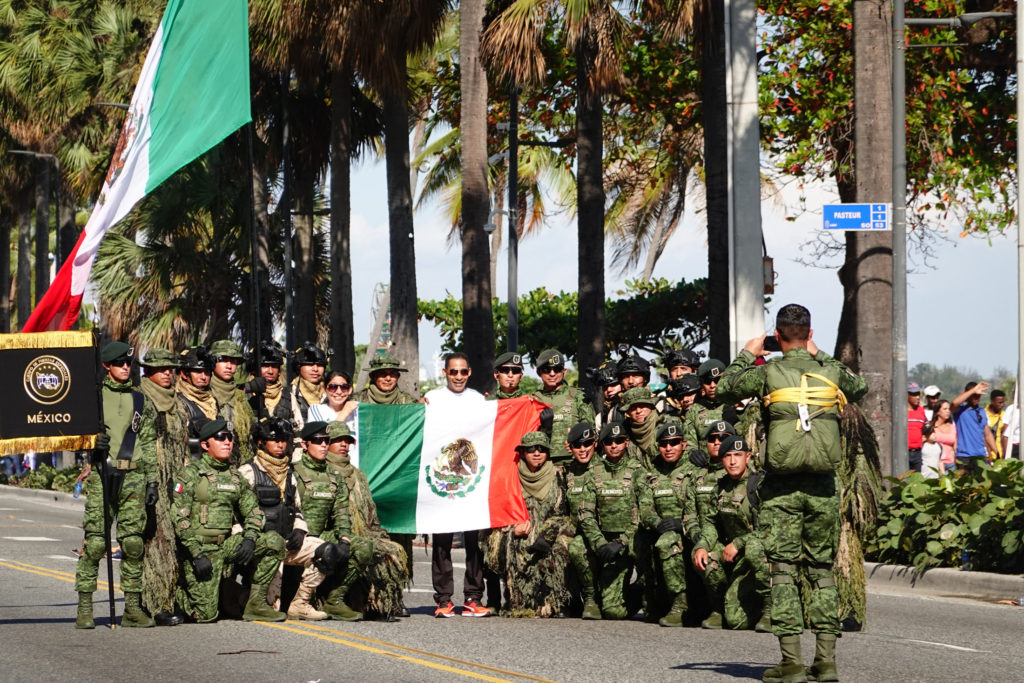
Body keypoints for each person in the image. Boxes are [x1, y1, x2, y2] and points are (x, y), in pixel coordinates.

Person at [716, 303, 867, 683]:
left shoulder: (767, 372)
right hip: (823, 487)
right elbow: (859, 386)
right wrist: (820, 354)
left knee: (783, 570)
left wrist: (749, 352)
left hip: (782, 488)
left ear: (778, 337)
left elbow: (725, 386)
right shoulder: (830, 370)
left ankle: (791, 663)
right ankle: (826, 661)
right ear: (810, 335)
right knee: (821, 571)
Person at [75, 341, 156, 629]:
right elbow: (76, 436)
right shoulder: (93, 398)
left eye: (128, 363)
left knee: (133, 544)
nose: (125, 367)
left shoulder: (140, 400)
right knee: (96, 543)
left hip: (134, 475)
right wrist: (92, 443)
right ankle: (85, 606)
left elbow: (147, 443)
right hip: (102, 473)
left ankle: (131, 608)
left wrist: (153, 482)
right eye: (120, 363)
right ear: (106, 366)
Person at [173, 419, 286, 623]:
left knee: (274, 542)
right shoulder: (191, 474)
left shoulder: (235, 477)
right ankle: (180, 592)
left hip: (225, 545)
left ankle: (256, 604)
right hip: (200, 549)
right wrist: (196, 554)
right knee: (206, 616)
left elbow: (253, 511)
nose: (227, 442)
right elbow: (179, 517)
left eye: (229, 437)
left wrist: (250, 538)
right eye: (220, 437)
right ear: (206, 445)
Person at [238, 418, 330, 620]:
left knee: (329, 551)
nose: (280, 444)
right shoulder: (247, 471)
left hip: (287, 541)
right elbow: (235, 513)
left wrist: (299, 530)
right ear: (261, 442)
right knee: (272, 609)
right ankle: (246, 596)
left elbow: (296, 508)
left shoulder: (289, 472)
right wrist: (244, 540)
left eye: (284, 440)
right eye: (274, 440)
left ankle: (300, 603)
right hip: (262, 545)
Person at [424, 353, 493, 617]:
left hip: (472, 482)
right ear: (445, 372)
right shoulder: (433, 398)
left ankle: (474, 598)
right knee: (441, 541)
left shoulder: (478, 400)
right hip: (441, 479)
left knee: (474, 542)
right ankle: (443, 600)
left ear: (470, 372)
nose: (459, 377)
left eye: (463, 372)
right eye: (454, 372)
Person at [321, 421, 409, 619]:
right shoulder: (322, 471)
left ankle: (381, 604)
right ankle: (338, 598)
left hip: (363, 531)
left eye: (347, 440)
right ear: (327, 443)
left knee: (391, 549)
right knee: (361, 547)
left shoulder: (358, 475)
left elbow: (370, 511)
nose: (344, 444)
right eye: (338, 440)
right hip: (336, 532)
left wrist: (377, 533)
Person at [290, 421, 371, 621]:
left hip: (323, 535)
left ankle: (334, 600)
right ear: (305, 445)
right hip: (296, 536)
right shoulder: (292, 472)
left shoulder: (334, 475)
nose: (324, 445)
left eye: (326, 441)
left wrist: (344, 539)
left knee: (363, 547)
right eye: (318, 441)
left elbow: (341, 512)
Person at [487, 432, 573, 617]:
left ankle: (555, 602)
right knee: (509, 546)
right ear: (523, 452)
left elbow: (562, 514)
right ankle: (516, 599)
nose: (537, 453)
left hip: (549, 531)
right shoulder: (511, 476)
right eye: (531, 449)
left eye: (542, 449)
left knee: (558, 548)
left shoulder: (557, 475)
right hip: (518, 530)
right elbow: (500, 509)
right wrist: (512, 530)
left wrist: (547, 534)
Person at [692, 436, 770, 632]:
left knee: (754, 548)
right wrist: (702, 546)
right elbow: (710, 523)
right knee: (735, 621)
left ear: (748, 457)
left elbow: (770, 527)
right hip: (736, 559)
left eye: (738, 455)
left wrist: (738, 543)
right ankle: (719, 608)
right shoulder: (720, 487)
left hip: (761, 553)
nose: (733, 461)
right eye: (727, 456)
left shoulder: (760, 485)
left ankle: (771, 609)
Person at [137, 348, 190, 626]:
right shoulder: (139, 399)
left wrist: (186, 479)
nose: (168, 373)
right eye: (161, 368)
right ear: (148, 372)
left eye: (171, 368)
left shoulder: (178, 403)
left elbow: (182, 444)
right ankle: (154, 603)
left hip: (175, 481)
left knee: (175, 540)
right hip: (149, 480)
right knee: (156, 541)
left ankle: (169, 599)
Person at [574, 421, 644, 620]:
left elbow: (645, 512)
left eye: (619, 440)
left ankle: (645, 591)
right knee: (613, 612)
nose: (614, 445)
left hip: (630, 542)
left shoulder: (639, 472)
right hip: (605, 542)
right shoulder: (593, 473)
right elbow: (585, 513)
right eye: (609, 441)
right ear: (602, 445)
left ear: (627, 442)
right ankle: (591, 598)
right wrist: (600, 543)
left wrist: (621, 542)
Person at [635, 422, 694, 627]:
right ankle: (652, 598)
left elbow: (704, 510)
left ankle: (681, 605)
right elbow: (645, 508)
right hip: (663, 530)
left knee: (667, 542)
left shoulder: (695, 471)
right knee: (643, 539)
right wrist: (657, 523)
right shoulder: (652, 474)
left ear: (683, 444)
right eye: (664, 444)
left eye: (674, 443)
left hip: (692, 532)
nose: (669, 448)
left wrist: (683, 523)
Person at [532, 349, 595, 465]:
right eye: (547, 370)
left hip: (575, 464)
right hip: (545, 465)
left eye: (557, 369)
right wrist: (545, 429)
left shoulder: (578, 396)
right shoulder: (533, 400)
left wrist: (577, 438)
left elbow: (591, 430)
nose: (552, 373)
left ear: (564, 371)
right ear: (538, 372)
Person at [563, 423, 599, 618]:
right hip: (578, 535)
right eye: (577, 445)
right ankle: (583, 597)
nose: (583, 449)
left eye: (587, 444)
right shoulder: (567, 473)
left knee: (614, 610)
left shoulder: (605, 468)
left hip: (604, 537)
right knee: (570, 546)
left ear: (595, 443)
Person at [209, 339, 256, 463]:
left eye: (234, 361)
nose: (229, 366)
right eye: (223, 360)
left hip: (242, 465)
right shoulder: (205, 394)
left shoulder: (240, 397)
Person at [176, 346, 217, 458]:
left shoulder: (212, 401)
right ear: (184, 374)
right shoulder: (177, 402)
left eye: (207, 372)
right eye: (198, 371)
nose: (203, 377)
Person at [682, 359, 727, 448]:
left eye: (717, 380)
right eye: (707, 382)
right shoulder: (694, 410)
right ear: (702, 384)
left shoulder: (736, 405)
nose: (712, 385)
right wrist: (693, 454)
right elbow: (689, 445)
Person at [952, 381, 995, 471]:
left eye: (978, 396)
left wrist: (997, 452)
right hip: (964, 456)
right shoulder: (960, 410)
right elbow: (954, 403)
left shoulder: (982, 411)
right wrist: (973, 390)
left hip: (980, 456)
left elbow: (987, 434)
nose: (977, 398)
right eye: (974, 396)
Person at [248, 341, 296, 422]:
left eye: (274, 366)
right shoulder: (245, 396)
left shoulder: (290, 397)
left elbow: (299, 428)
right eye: (265, 366)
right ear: (254, 369)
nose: (270, 371)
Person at [619, 386, 662, 469]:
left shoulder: (666, 424)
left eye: (642, 406)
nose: (638, 411)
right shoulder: (625, 431)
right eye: (633, 408)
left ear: (651, 405)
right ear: (628, 412)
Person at [290, 341, 328, 429]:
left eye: (319, 365)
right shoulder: (288, 394)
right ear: (298, 367)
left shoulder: (332, 393)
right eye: (309, 364)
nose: (315, 369)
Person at [929, 400, 956, 475]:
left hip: (951, 464)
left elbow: (955, 446)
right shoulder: (931, 427)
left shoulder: (952, 427)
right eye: (945, 409)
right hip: (935, 463)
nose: (948, 411)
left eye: (949, 409)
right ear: (938, 411)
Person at [907, 382, 926, 473]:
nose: (917, 397)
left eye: (918, 394)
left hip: (917, 453)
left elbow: (926, 429)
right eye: (914, 394)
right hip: (904, 452)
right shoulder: (900, 411)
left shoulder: (921, 411)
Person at [986, 389, 1007, 460]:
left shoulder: (1004, 415)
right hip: (985, 456)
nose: (1002, 405)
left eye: (1003, 402)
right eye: (999, 403)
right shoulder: (983, 414)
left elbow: (1004, 435)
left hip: (999, 456)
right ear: (992, 401)